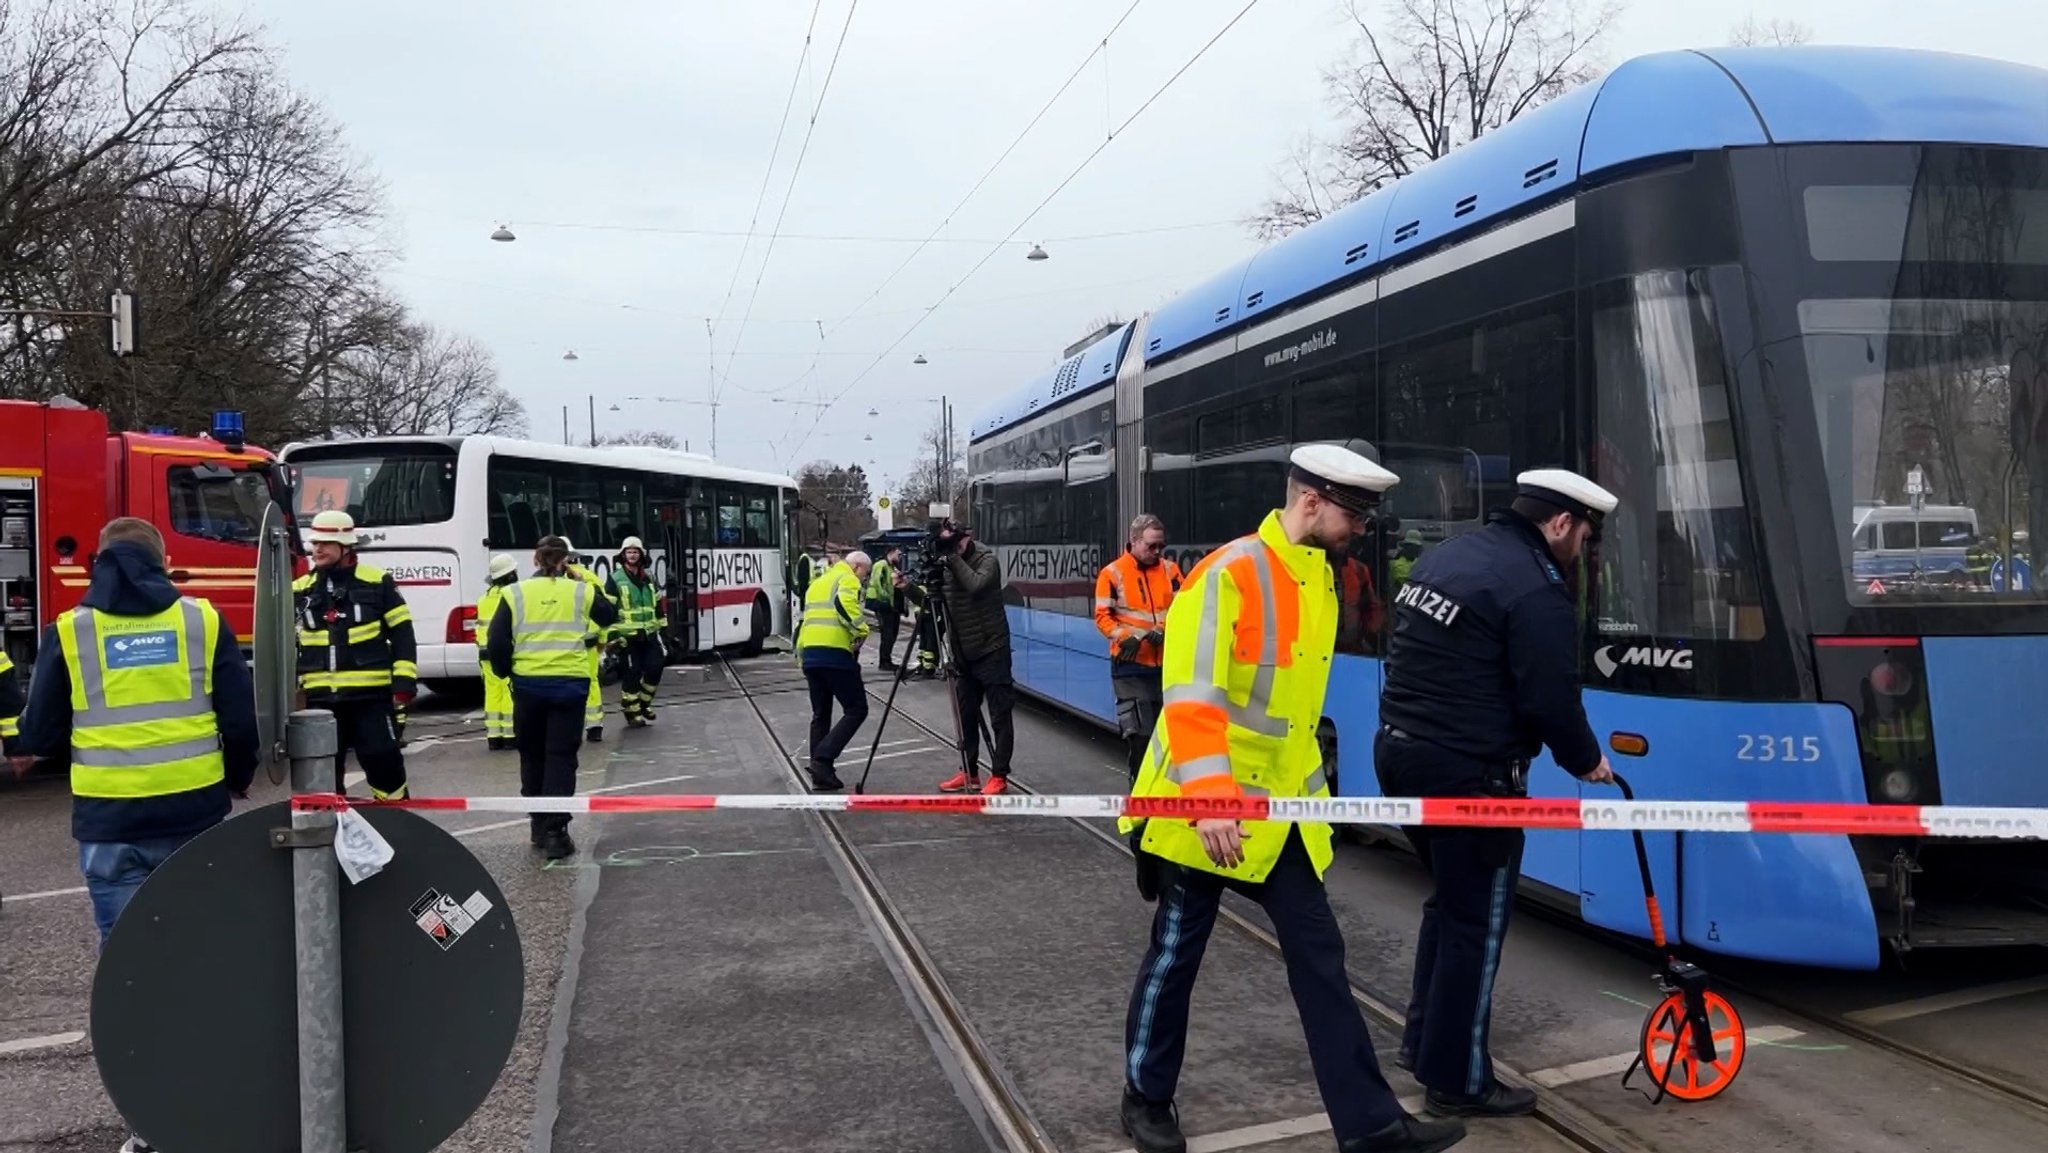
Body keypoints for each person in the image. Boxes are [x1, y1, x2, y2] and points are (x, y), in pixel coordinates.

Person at [1118, 445, 1465, 1153]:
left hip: (1277, 817)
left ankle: (1370, 1126)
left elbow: (1292, 718)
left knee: (1321, 956)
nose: (1361, 527)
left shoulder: (1320, 579)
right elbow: (1190, 696)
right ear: (1311, 500)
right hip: (1202, 807)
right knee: (1177, 951)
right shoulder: (1231, 571)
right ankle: (1145, 1095)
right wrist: (1212, 800)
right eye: (1354, 511)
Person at [1375, 468, 1618, 1118]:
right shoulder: (1536, 588)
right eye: (1585, 534)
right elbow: (1548, 697)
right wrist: (1586, 759)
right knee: (1476, 924)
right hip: (1470, 777)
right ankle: (1457, 1078)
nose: (1584, 548)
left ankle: (1425, 1044)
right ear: (1560, 523)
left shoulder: (1450, 555)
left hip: (1398, 755)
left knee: (1450, 908)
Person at [486, 535, 618, 860]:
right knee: (561, 758)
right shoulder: (580, 589)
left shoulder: (514, 593)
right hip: (569, 688)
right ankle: (557, 833)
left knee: (532, 756)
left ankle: (537, 824)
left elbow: (497, 641)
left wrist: (507, 674)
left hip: (529, 688)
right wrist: (582, 578)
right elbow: (608, 615)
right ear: (565, 561)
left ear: (535, 559)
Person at [292, 509, 415, 800]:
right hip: (319, 703)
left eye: (324, 543)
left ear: (346, 546)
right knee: (324, 778)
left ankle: (396, 827)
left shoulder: (377, 582)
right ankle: (335, 838)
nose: (316, 549)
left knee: (384, 763)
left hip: (370, 699)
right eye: (314, 543)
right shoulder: (300, 589)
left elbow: (403, 634)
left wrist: (404, 685)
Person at [909, 523, 1015, 795]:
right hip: (963, 653)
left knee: (999, 715)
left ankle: (1000, 774)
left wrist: (952, 557)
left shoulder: (986, 560)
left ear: (967, 537)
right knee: (965, 714)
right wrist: (907, 588)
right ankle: (969, 771)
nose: (951, 548)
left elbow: (976, 585)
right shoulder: (948, 566)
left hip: (991, 649)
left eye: (955, 542)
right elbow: (933, 600)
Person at [1094, 514, 1181, 779]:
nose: (1157, 552)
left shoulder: (1171, 571)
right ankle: (1139, 803)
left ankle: (1162, 803)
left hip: (1166, 667)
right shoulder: (1111, 574)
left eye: (1161, 547)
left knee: (1168, 738)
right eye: (1151, 546)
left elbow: (1184, 608)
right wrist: (1123, 636)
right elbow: (1102, 617)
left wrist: (1163, 629)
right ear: (1134, 541)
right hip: (1130, 666)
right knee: (1140, 737)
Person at [795, 549, 873, 790]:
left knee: (821, 714)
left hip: (811, 654)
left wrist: (801, 656)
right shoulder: (847, 578)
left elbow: (804, 620)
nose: (863, 580)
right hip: (835, 653)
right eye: (865, 575)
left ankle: (821, 773)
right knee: (857, 709)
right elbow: (844, 605)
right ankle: (823, 759)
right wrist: (862, 631)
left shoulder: (817, 583)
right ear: (857, 567)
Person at [607, 536, 664, 727]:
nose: (632, 555)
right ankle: (633, 713)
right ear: (623, 555)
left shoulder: (649, 578)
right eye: (629, 552)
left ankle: (644, 702)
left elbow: (658, 607)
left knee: (655, 668)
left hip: (649, 635)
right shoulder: (615, 579)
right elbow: (609, 610)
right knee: (633, 673)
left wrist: (665, 632)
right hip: (628, 639)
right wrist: (614, 637)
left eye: (635, 552)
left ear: (641, 555)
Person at [560, 538, 611, 743]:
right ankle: (594, 725)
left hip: (564, 644)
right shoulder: (590, 578)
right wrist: (603, 641)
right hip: (588, 642)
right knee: (590, 682)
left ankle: (573, 726)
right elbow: (605, 612)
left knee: (564, 685)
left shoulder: (546, 583)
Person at [478, 554, 519, 750]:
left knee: (492, 693)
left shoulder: (483, 599)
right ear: (509, 576)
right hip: (504, 650)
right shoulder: (509, 596)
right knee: (507, 692)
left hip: (484, 652)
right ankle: (510, 735)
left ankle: (494, 736)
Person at [866, 545, 905, 672]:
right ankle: (884, 661)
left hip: (891, 605)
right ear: (891, 553)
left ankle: (887, 660)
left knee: (892, 633)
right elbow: (878, 584)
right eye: (898, 554)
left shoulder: (892, 566)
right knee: (887, 633)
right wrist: (886, 599)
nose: (899, 557)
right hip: (883, 604)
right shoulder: (881, 565)